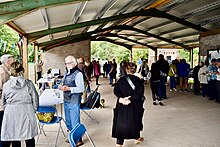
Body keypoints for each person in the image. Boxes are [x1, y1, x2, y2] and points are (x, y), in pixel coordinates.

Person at [1, 61, 39, 147]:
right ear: (22, 70)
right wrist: (34, 109)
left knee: (15, 136)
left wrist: (7, 109)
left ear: (11, 71)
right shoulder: (28, 83)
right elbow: (35, 98)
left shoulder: (6, 85)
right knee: (29, 136)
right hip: (27, 110)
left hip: (11, 112)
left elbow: (3, 101)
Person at [112, 62, 145, 147]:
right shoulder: (139, 81)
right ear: (135, 70)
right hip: (134, 105)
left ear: (126, 70)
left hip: (121, 104)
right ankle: (136, 137)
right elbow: (139, 94)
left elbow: (116, 91)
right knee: (135, 120)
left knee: (120, 122)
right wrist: (130, 99)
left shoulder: (121, 80)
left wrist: (121, 98)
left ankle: (119, 143)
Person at [59, 56, 84, 146]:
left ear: (75, 63)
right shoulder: (67, 72)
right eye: (66, 63)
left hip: (74, 100)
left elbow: (81, 89)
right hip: (66, 99)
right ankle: (72, 136)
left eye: (69, 63)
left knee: (75, 121)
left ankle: (78, 140)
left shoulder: (78, 74)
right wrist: (61, 86)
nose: (67, 65)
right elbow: (64, 83)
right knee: (68, 121)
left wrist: (69, 88)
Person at [0, 54, 14, 147]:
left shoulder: (6, 71)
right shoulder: (1, 72)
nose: (13, 63)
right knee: (2, 129)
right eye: (12, 61)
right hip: (1, 106)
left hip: (6, 105)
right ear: (7, 62)